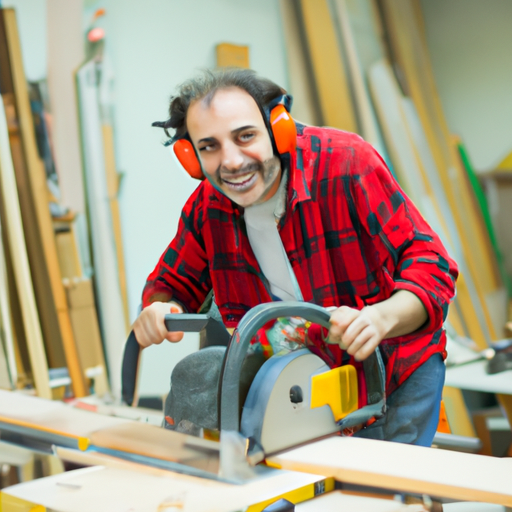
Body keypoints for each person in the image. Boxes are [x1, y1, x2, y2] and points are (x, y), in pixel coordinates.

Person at [133, 68, 458, 446]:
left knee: (387, 496)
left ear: (277, 128)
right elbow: (171, 286)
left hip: (391, 376)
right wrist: (162, 309)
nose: (232, 162)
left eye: (246, 136)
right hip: (302, 382)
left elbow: (431, 264)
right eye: (210, 147)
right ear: (191, 158)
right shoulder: (209, 207)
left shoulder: (348, 164)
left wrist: (380, 318)